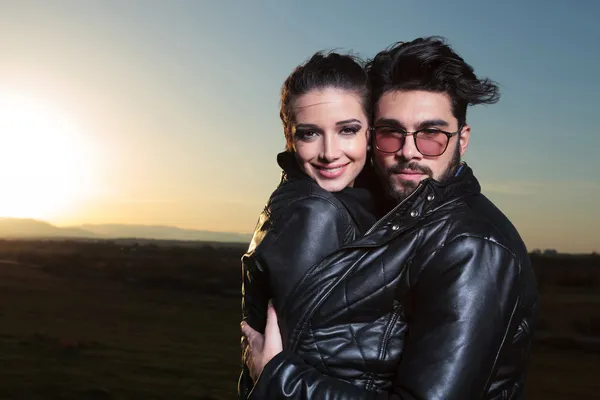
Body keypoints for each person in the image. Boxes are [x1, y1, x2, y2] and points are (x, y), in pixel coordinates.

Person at [242, 36, 539, 399]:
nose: (409, 152)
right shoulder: (393, 211)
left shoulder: (472, 247)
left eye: (431, 135)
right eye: (391, 133)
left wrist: (278, 378)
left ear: (462, 140)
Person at [238, 51, 379, 399]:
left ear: (370, 133)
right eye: (310, 134)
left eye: (347, 130)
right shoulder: (314, 214)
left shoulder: (349, 202)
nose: (330, 152)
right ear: (290, 137)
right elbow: (304, 370)